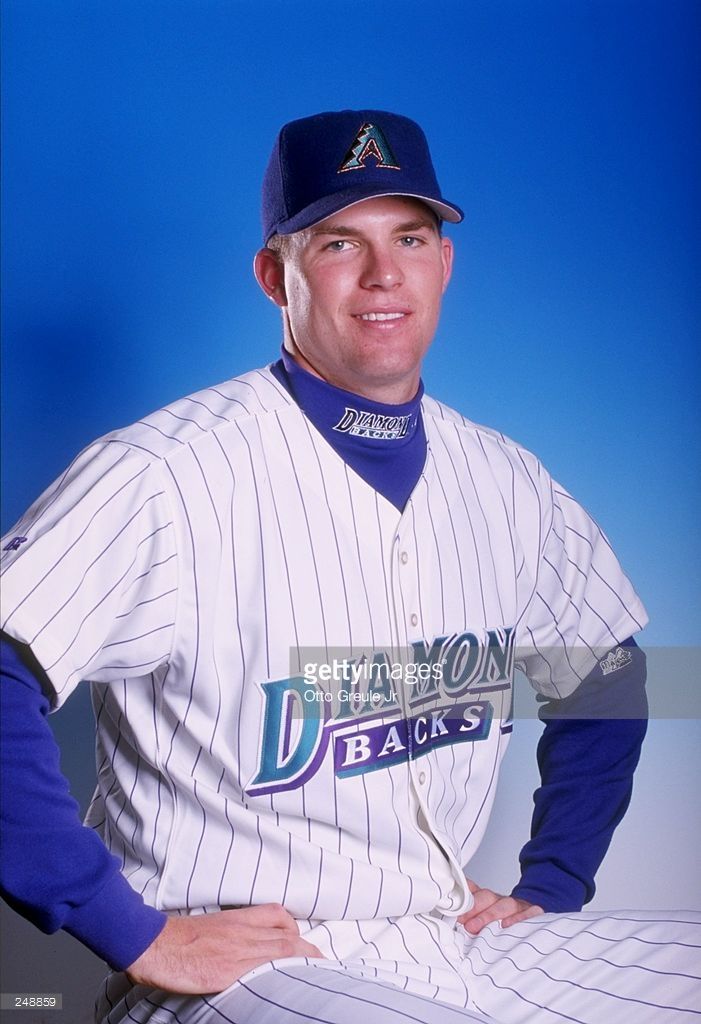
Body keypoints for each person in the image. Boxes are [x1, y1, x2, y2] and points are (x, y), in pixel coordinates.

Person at [1, 109, 699, 1024]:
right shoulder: (164, 473)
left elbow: (603, 668)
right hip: (248, 971)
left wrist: (553, 882)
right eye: (338, 243)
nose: (383, 274)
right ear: (274, 275)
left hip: (449, 939)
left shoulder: (506, 480)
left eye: (409, 238)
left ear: (444, 264)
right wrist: (131, 933)